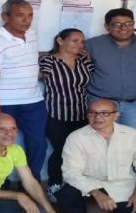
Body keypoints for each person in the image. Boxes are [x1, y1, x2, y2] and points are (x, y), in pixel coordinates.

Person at [56, 99, 136, 213]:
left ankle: (121, 212)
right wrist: (97, 194)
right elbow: (71, 173)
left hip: (121, 185)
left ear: (116, 115)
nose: (97, 117)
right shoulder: (76, 137)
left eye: (104, 113)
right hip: (89, 182)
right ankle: (83, 208)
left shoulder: (132, 135)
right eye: (92, 113)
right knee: (71, 201)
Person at [0, 0, 47, 180]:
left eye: (30, 15)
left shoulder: (31, 33)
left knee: (38, 144)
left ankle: (31, 183)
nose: (27, 20)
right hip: (6, 102)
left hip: (33, 101)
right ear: (5, 17)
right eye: (20, 15)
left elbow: (27, 58)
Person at [84, 8, 136, 138]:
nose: (124, 28)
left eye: (129, 23)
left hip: (135, 106)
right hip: (100, 104)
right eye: (117, 24)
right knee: (100, 143)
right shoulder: (91, 45)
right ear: (107, 26)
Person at [38, 28, 94, 198]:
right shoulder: (49, 60)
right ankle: (54, 184)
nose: (80, 45)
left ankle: (76, 185)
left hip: (81, 114)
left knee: (81, 151)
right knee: (61, 150)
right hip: (56, 114)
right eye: (75, 40)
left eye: (82, 41)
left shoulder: (84, 61)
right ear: (60, 41)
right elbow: (34, 74)